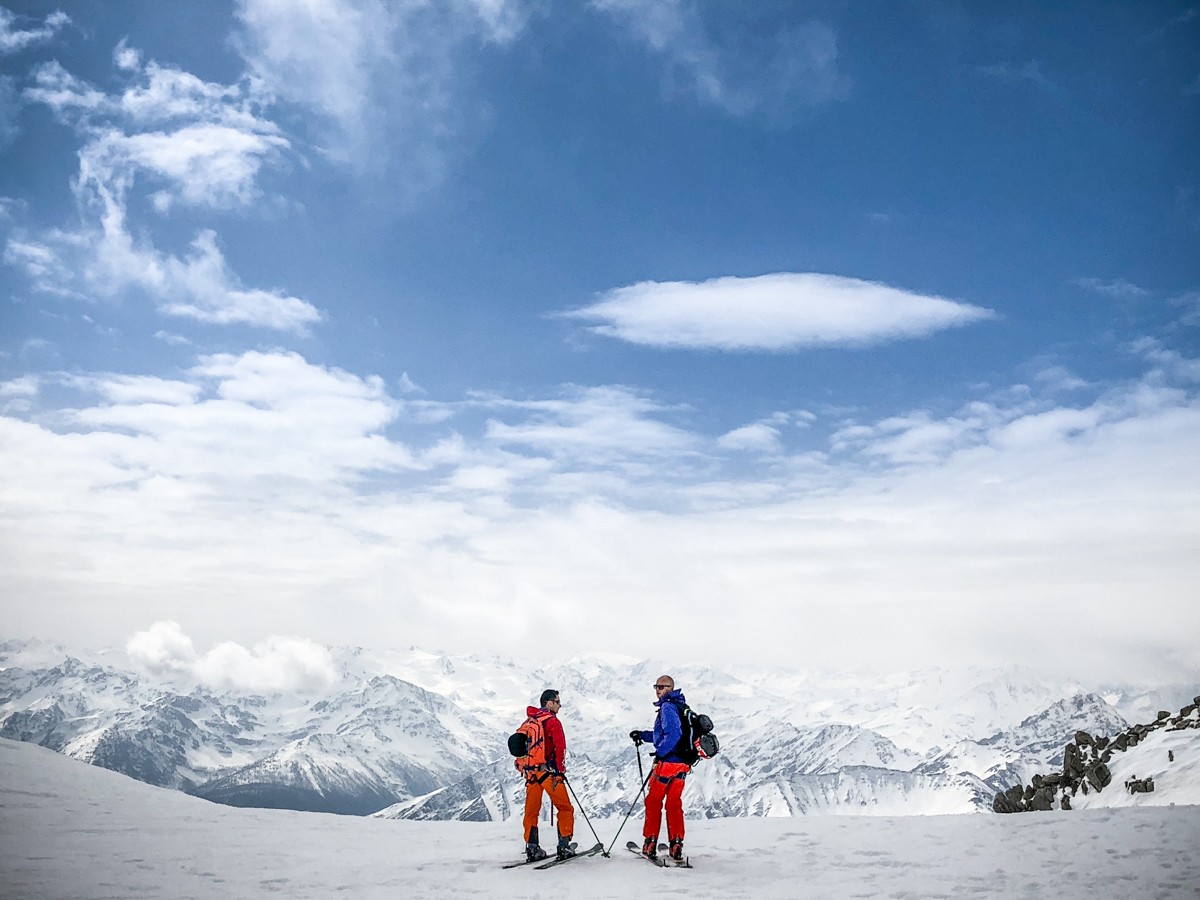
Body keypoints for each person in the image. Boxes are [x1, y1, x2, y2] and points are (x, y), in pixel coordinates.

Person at [629, 674, 691, 862]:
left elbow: (673, 734)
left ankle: (650, 843)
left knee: (653, 801)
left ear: (670, 688)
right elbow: (664, 734)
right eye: (656, 686)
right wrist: (643, 735)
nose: (658, 690)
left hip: (667, 763)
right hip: (683, 764)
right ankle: (676, 844)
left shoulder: (667, 707)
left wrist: (661, 753)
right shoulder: (683, 707)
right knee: (674, 803)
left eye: (662, 687)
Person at [517, 688, 575, 861]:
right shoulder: (553, 722)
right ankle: (564, 846)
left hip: (531, 774)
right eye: (557, 702)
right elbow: (560, 748)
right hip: (549, 774)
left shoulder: (529, 721)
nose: (560, 705)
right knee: (565, 808)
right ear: (549, 703)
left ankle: (532, 847)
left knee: (531, 812)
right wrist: (560, 772)